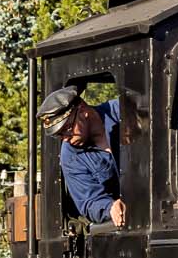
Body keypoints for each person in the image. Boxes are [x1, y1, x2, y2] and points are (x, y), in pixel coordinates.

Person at [41, 83, 128, 227]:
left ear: (82, 110)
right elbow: (90, 201)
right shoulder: (70, 156)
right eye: (59, 135)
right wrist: (110, 208)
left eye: (67, 129)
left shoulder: (123, 113)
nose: (66, 138)